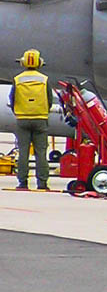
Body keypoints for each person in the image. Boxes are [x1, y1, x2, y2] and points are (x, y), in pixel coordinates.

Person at [9, 49, 56, 191]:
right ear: (39, 62)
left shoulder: (17, 79)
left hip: (22, 119)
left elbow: (12, 99)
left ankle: (22, 182)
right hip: (40, 119)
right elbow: (50, 99)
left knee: (23, 151)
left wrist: (18, 112)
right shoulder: (44, 79)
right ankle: (42, 183)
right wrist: (43, 111)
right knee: (41, 152)